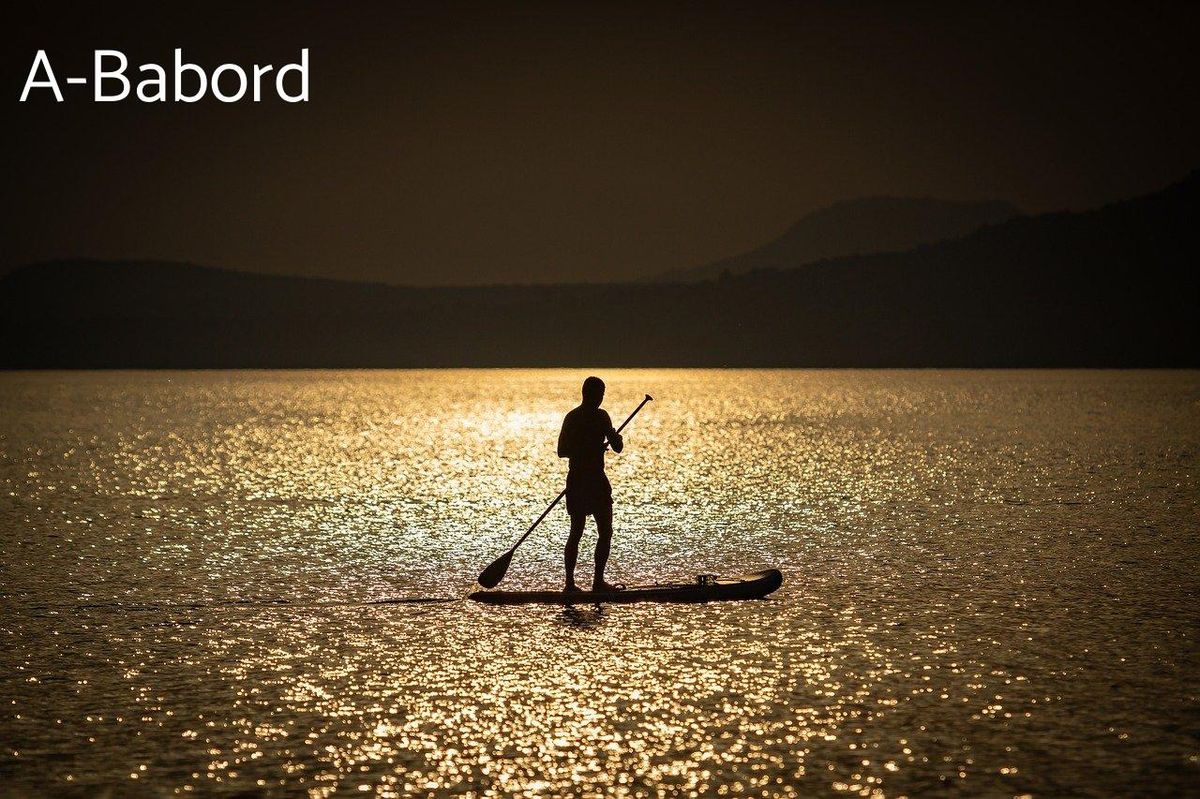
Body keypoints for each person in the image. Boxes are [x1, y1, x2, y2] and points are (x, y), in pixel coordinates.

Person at [557, 376, 623, 592]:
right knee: (576, 531)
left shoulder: (603, 417)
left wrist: (614, 437)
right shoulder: (573, 417)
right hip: (578, 480)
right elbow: (562, 451)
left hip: (597, 481)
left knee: (606, 531)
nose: (601, 398)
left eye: (603, 394)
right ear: (588, 393)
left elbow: (618, 447)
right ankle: (569, 584)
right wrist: (588, 449)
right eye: (599, 394)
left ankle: (598, 582)